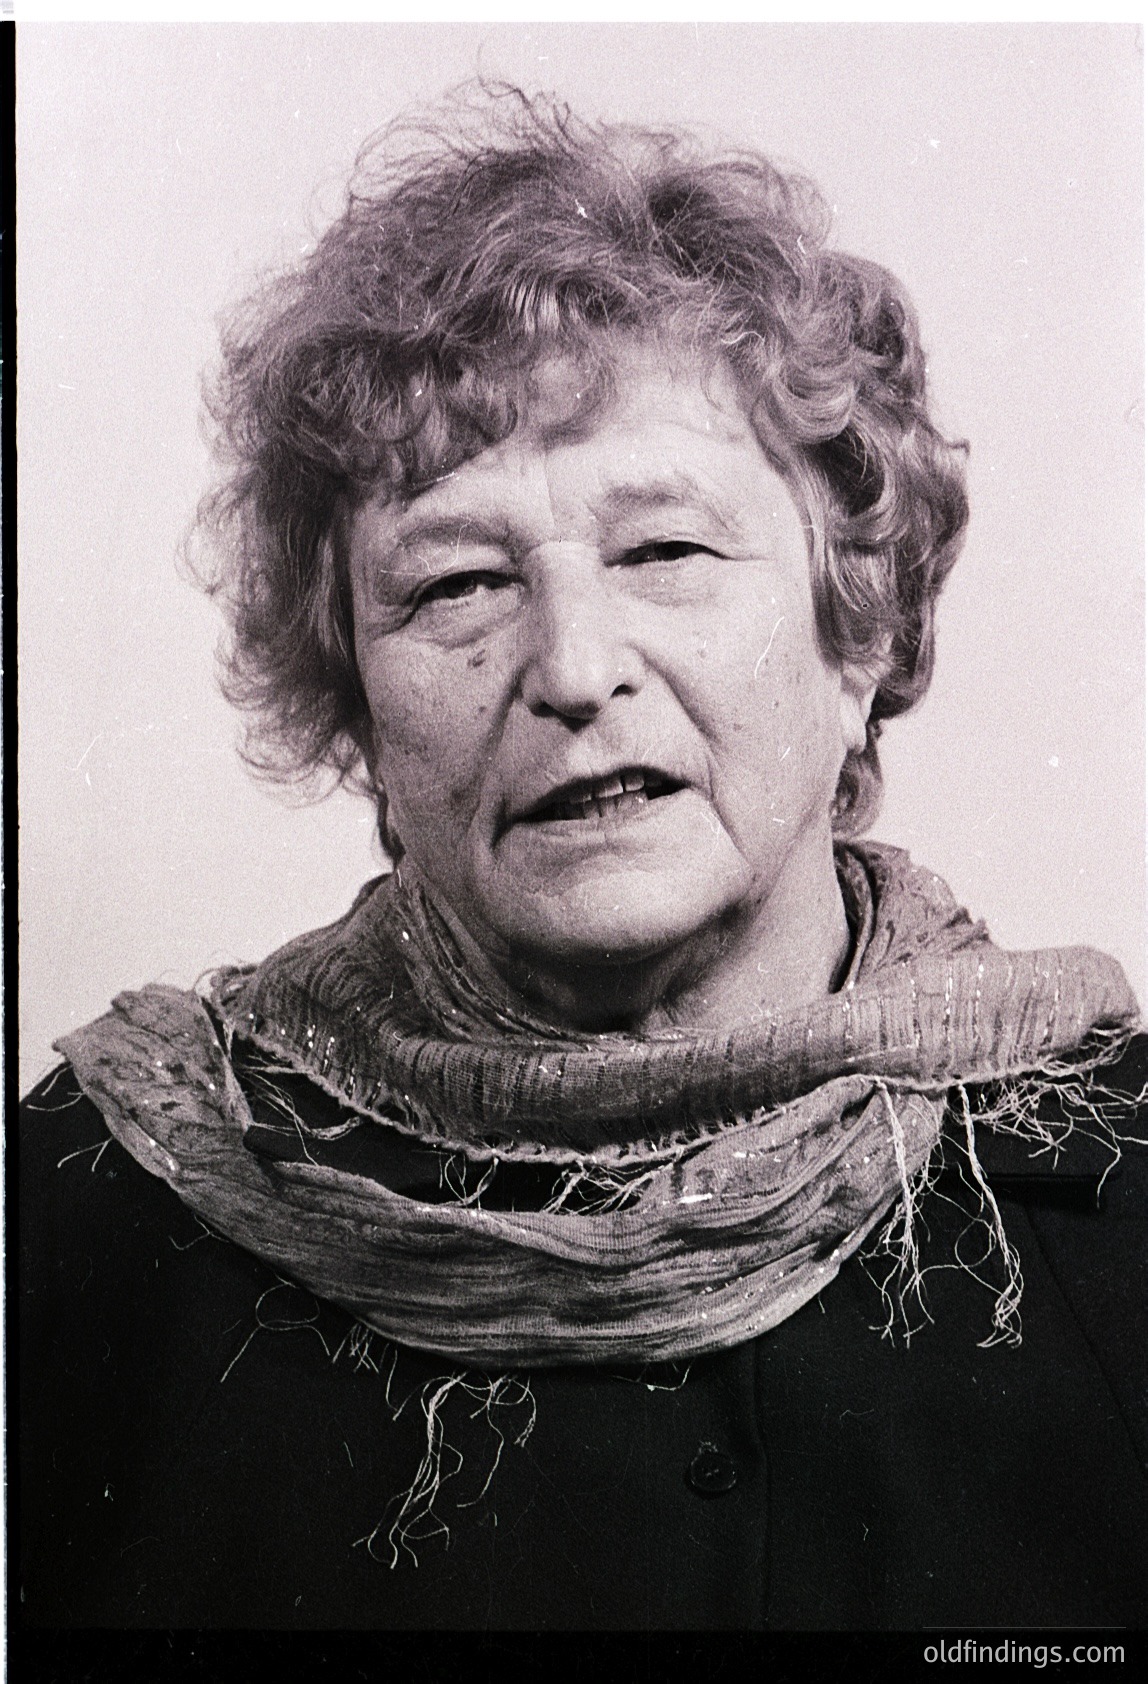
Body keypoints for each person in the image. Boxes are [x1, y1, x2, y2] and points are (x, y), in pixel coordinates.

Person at [18, 89, 1147, 1632]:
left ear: (858, 627)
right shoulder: (77, 1233)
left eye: (664, 552)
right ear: (352, 700)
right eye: (459, 582)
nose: (570, 666)